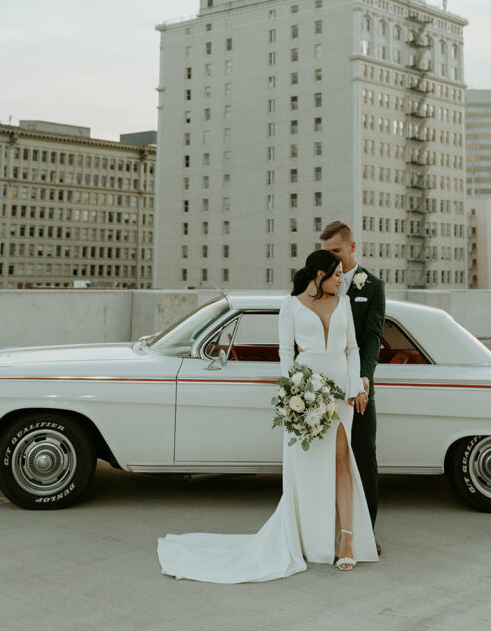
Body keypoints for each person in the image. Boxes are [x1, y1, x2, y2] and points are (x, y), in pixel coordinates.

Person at [157, 249, 379, 582]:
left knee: (341, 461)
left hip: (340, 395)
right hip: (306, 390)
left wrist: (354, 386)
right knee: (307, 468)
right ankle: (308, 538)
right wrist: (294, 395)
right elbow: (286, 353)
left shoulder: (344, 304)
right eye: (335, 274)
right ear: (319, 275)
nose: (340, 279)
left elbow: (353, 350)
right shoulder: (290, 307)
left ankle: (346, 539)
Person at [320, 220, 385, 553]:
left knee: (363, 455)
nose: (331, 258)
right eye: (326, 252)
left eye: (336, 251)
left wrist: (365, 378)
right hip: (321, 385)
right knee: (324, 457)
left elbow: (373, 338)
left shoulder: (372, 286)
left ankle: (365, 532)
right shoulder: (316, 281)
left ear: (352, 247)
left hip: (359, 384)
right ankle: (326, 531)